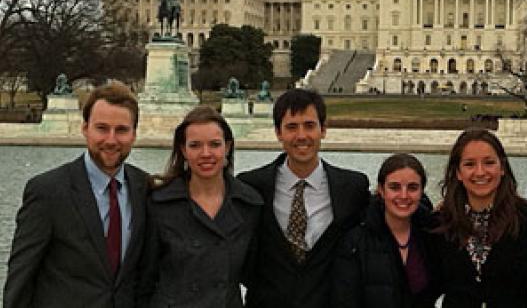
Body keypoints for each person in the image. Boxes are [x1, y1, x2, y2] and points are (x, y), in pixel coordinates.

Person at [3, 82, 148, 308]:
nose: (111, 140)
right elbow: (21, 279)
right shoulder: (48, 191)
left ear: (134, 134)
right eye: (102, 128)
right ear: (85, 129)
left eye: (121, 130)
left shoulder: (146, 188)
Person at [238, 88, 370, 308]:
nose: (301, 136)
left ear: (323, 130)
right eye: (291, 127)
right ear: (278, 133)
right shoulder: (251, 186)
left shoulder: (352, 187)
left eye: (309, 126)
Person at [136, 105, 262, 307]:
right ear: (183, 150)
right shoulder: (159, 204)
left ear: (227, 147)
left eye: (214, 144)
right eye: (195, 145)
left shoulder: (249, 205)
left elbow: (255, 276)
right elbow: (144, 279)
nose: (206, 153)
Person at [431, 128, 527, 307]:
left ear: (502, 167)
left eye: (489, 162)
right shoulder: (440, 222)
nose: (480, 172)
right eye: (469, 164)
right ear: (458, 173)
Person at [332, 153, 438, 308]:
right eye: (394, 187)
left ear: (422, 191)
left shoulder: (432, 236)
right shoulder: (355, 242)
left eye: (412, 188)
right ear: (381, 190)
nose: (403, 195)